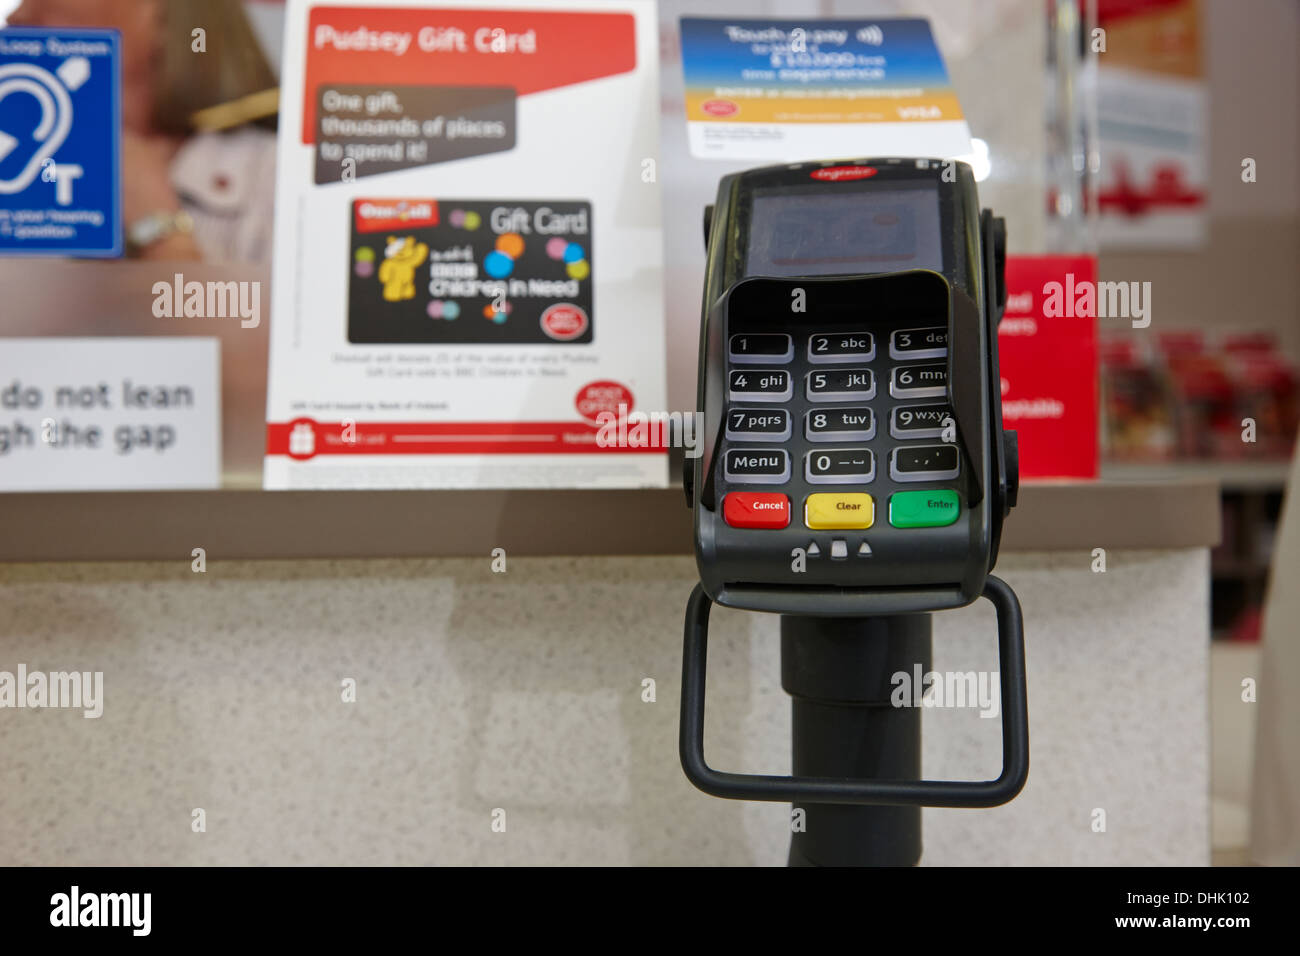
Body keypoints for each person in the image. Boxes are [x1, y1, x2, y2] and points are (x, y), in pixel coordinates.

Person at [7, 0, 279, 261]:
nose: (15, 17)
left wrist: (158, 227)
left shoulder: (275, 178)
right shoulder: (18, 164)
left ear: (160, 14)